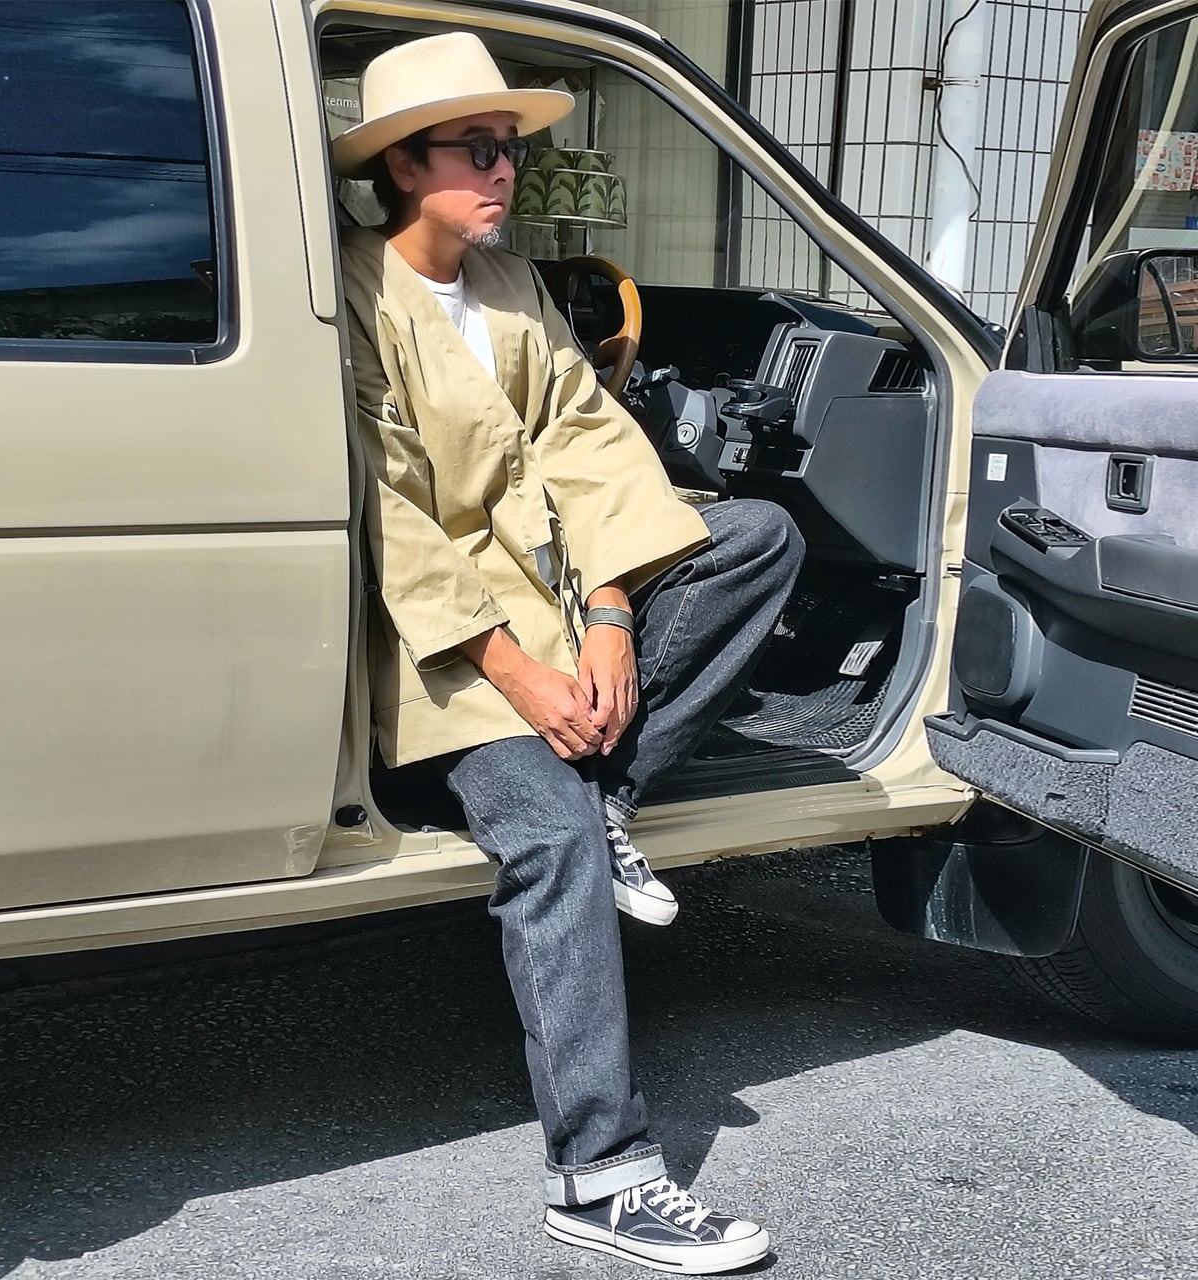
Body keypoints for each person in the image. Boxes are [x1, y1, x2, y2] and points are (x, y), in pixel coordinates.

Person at [335, 31, 804, 1275]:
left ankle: (608, 794)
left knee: (755, 536)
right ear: (400, 165)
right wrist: (519, 671)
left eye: (510, 148)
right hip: (445, 653)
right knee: (550, 841)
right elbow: (390, 515)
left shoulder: (511, 284)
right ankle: (601, 1173)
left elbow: (586, 442)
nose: (505, 169)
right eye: (475, 149)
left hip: (553, 599)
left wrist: (606, 614)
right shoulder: (348, 293)